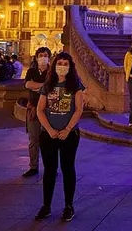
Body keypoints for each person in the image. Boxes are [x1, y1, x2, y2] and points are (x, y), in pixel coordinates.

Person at [34, 52, 84, 223]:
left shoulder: (76, 85)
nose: (62, 66)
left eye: (65, 64)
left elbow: (78, 109)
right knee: (49, 170)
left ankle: (69, 206)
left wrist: (68, 129)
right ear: (54, 66)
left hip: (69, 135)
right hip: (48, 134)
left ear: (70, 67)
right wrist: (49, 129)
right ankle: (46, 205)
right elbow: (40, 109)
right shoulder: (48, 85)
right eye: (59, 63)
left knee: (68, 168)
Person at [23, 47, 51, 178]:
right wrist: (45, 86)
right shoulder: (32, 71)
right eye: (41, 55)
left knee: (50, 140)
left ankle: (50, 168)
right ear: (36, 57)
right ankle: (33, 167)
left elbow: (54, 87)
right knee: (33, 140)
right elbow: (28, 84)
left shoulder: (53, 72)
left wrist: (37, 86)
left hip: (49, 111)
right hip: (33, 109)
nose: (43, 57)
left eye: (46, 55)